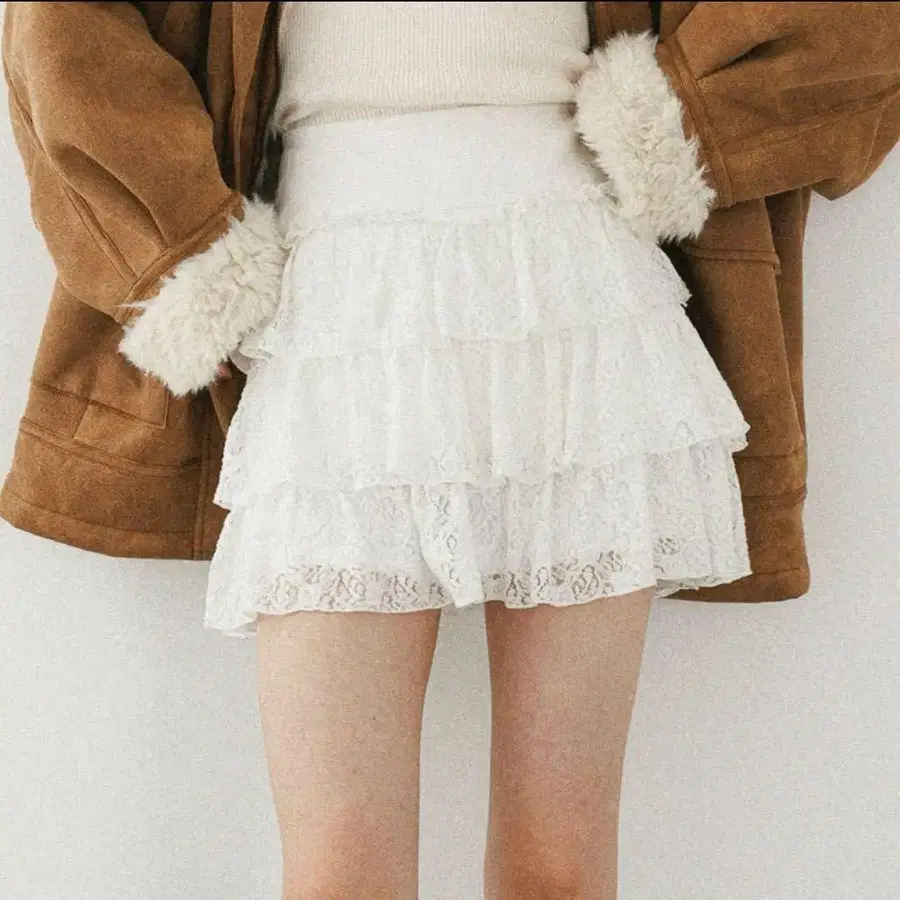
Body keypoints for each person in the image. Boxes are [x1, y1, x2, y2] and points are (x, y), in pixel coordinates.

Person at [3, 3, 898, 899]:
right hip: (336, 305)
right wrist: (184, 249)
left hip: (577, 299)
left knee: (558, 877)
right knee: (338, 881)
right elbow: (59, 31)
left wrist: (677, 121)